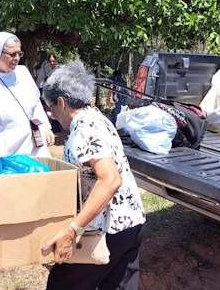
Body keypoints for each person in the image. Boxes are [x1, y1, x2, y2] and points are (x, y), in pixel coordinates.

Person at [41, 61, 146, 290]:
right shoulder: (97, 117)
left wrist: (72, 230)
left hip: (107, 230)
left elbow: (110, 179)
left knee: (62, 284)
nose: (52, 115)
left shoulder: (85, 128)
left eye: (51, 108)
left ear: (62, 101)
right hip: (131, 223)